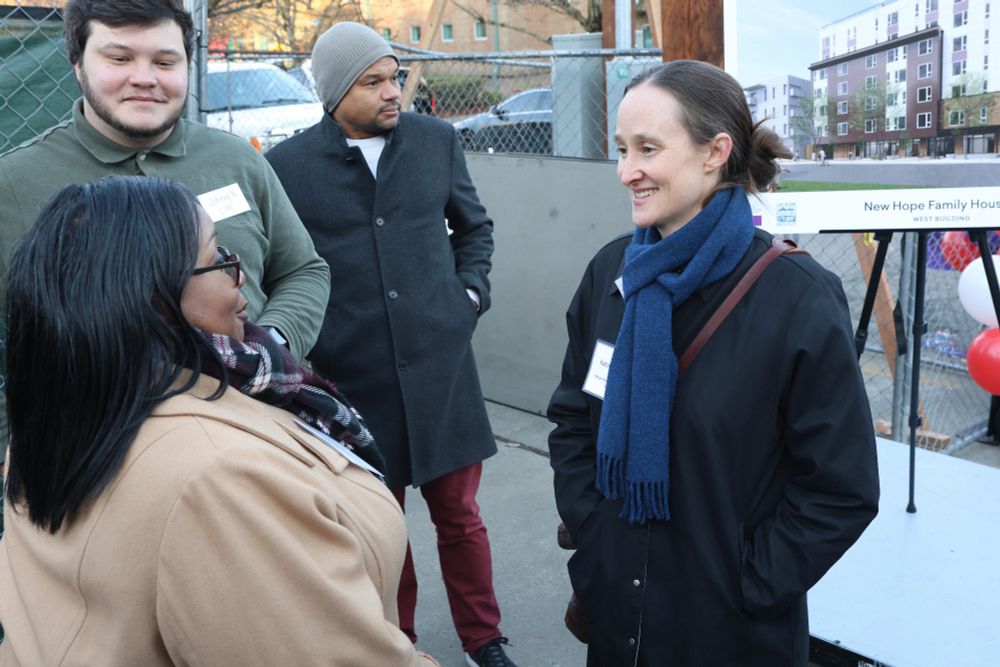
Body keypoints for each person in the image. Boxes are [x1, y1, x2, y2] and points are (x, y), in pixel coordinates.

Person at [0, 175, 438, 667]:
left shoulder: (64, 408)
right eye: (217, 259)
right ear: (153, 297)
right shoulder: (221, 481)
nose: (241, 276)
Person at [547, 60, 880, 666]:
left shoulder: (796, 296)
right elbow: (573, 417)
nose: (626, 172)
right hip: (617, 615)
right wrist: (596, 539)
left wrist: (747, 583)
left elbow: (840, 488)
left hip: (731, 634)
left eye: (648, 148)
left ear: (715, 152)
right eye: (622, 149)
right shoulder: (610, 274)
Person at [266, 22, 514, 667]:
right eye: (373, 81)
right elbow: (278, 266)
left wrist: (468, 297)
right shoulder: (286, 168)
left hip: (442, 364)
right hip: (355, 375)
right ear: (334, 91)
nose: (392, 92)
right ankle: (394, 644)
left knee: (460, 515)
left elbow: (474, 229)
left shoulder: (436, 142)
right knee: (381, 525)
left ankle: (484, 641)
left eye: (395, 76)